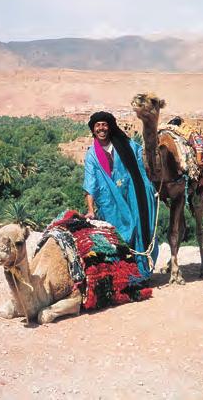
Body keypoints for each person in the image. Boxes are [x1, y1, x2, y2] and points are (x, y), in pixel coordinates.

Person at [83, 111, 158, 280]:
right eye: (98, 126)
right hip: (111, 201)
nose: (101, 128)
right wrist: (90, 209)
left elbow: (142, 161)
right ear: (93, 130)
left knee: (140, 227)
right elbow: (90, 183)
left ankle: (142, 271)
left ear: (109, 127)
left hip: (133, 195)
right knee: (118, 234)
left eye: (104, 124)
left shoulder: (125, 145)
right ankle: (124, 275)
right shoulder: (92, 155)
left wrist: (149, 185)